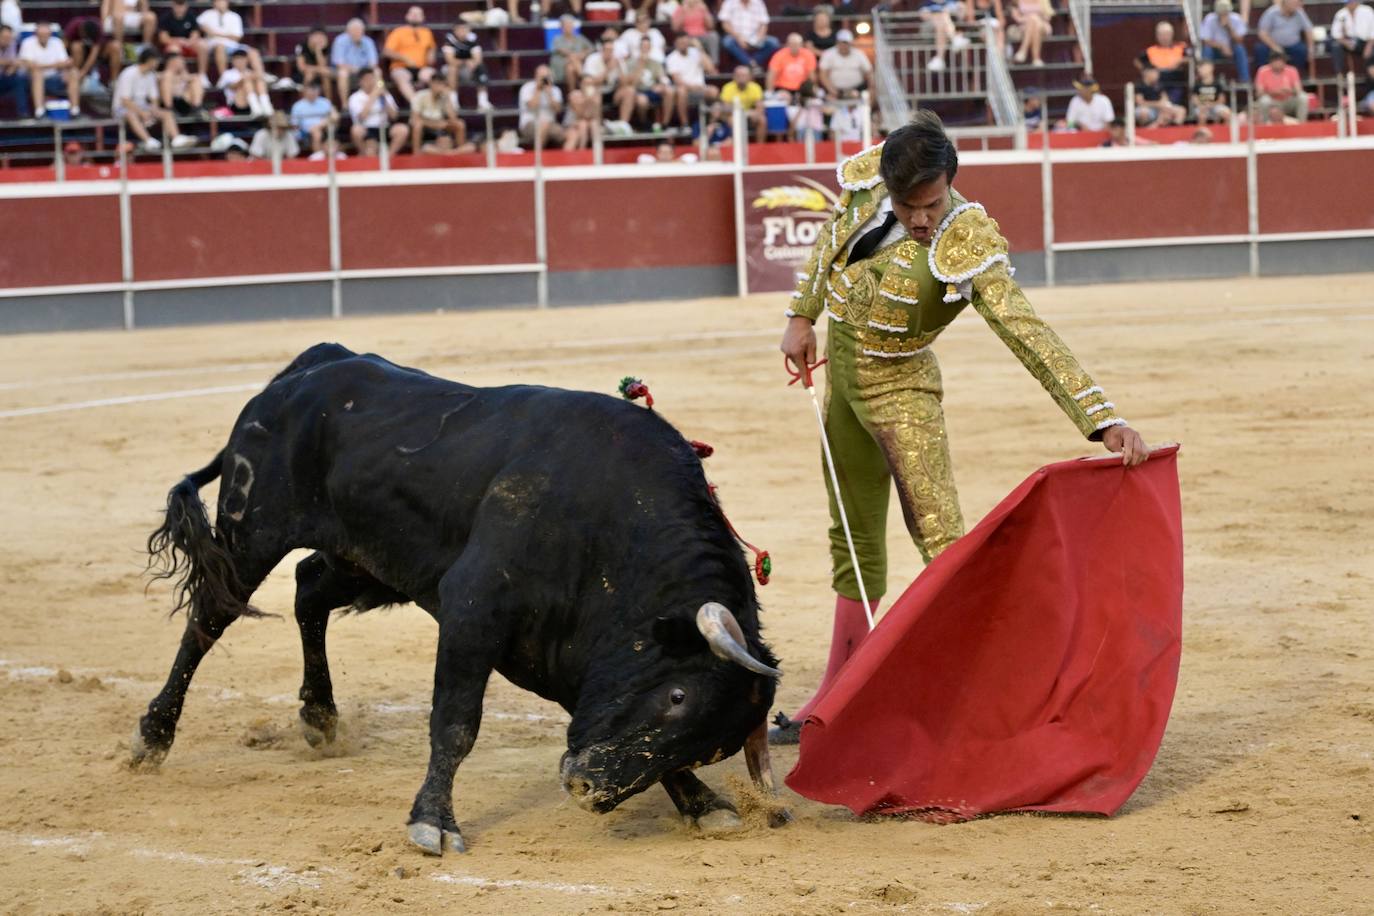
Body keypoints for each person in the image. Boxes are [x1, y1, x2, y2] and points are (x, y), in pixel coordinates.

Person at [770, 110, 1148, 743]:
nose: (921, 218)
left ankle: (996, 694)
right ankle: (835, 697)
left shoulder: (968, 239)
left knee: (944, 548)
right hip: (841, 384)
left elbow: (1025, 331)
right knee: (853, 543)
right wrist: (801, 314)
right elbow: (830, 238)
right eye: (908, 204)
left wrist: (1101, 419)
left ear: (951, 182)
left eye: (933, 202)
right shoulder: (866, 185)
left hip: (902, 391)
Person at [115, 47, 194, 149]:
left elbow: (154, 98)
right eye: (156, 60)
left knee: (167, 114)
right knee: (131, 114)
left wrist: (154, 110)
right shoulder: (129, 73)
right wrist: (142, 113)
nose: (158, 63)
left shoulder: (151, 75)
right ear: (150, 60)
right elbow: (125, 101)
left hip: (142, 106)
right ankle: (148, 140)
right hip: (122, 108)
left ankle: (176, 138)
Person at [18, 21, 80, 117]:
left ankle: (75, 110)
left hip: (55, 78)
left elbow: (66, 63)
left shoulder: (57, 42)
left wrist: (44, 66)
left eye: (46, 34)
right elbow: (29, 65)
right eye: (41, 34)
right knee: (37, 73)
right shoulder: (28, 43)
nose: (44, 36)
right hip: (32, 80)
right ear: (36, 34)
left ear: (50, 34)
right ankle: (39, 111)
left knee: (73, 72)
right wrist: (54, 65)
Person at [348, 66, 408, 155]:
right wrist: (374, 95)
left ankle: (389, 156)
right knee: (357, 132)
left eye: (372, 79)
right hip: (367, 128)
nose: (370, 82)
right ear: (361, 81)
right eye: (367, 79)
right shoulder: (355, 97)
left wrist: (384, 97)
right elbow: (362, 117)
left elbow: (394, 116)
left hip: (384, 126)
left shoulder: (384, 94)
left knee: (402, 130)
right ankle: (364, 155)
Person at [383, 5, 436, 104]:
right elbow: (386, 51)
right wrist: (404, 58)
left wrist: (431, 53)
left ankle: (436, 106)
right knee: (401, 77)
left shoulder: (427, 32)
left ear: (423, 17)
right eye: (412, 13)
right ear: (407, 16)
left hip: (421, 68)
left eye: (418, 14)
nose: (415, 16)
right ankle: (416, 105)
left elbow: (431, 47)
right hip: (401, 67)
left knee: (435, 77)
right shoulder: (398, 32)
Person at [664, 33, 717, 128]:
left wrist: (700, 48)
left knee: (713, 91)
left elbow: (710, 69)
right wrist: (693, 88)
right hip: (685, 89)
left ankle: (711, 121)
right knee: (681, 91)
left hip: (700, 88)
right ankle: (685, 124)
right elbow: (677, 81)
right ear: (676, 43)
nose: (683, 44)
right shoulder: (671, 58)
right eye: (680, 42)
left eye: (685, 42)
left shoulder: (696, 52)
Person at [617, 36, 670, 127]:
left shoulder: (655, 63)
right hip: (637, 91)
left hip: (651, 90)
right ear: (639, 48)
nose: (645, 49)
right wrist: (641, 65)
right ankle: (643, 122)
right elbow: (632, 84)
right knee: (642, 101)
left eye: (647, 47)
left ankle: (665, 123)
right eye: (643, 46)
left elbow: (663, 78)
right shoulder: (631, 63)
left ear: (650, 48)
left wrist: (661, 85)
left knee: (669, 91)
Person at [718, 0, 780, 72]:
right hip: (735, 36)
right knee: (727, 42)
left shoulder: (758, 2)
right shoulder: (729, 2)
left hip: (755, 37)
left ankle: (752, 62)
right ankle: (751, 64)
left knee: (773, 42)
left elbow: (764, 24)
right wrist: (738, 37)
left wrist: (759, 38)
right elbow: (725, 24)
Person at [1136, 21, 1189, 102]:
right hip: (1157, 83)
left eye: (1167, 34)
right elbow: (1137, 61)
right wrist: (1146, 72)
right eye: (1161, 34)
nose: (1164, 37)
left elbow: (1191, 58)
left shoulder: (1181, 47)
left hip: (1175, 82)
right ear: (1157, 36)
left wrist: (1180, 61)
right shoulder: (1151, 50)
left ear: (1172, 34)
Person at [1199, 0, 1249, 84]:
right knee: (1207, 50)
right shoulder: (1210, 19)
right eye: (1221, 13)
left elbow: (1240, 40)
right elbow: (1206, 41)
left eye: (1225, 13)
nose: (1223, 15)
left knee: (1240, 49)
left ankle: (1245, 80)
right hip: (1216, 49)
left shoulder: (1236, 18)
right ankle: (1206, 79)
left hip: (1232, 49)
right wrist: (1222, 46)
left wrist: (1229, 28)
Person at [442, 20, 490, 110]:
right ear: (455, 30)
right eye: (460, 29)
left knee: (481, 67)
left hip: (468, 70)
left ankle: (483, 101)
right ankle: (453, 102)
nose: (462, 31)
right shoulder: (449, 41)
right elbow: (450, 60)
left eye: (464, 29)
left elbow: (478, 59)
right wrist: (466, 61)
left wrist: (472, 64)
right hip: (450, 70)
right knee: (452, 68)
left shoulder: (473, 40)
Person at [1257, 0, 1314, 73]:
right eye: (1295, 3)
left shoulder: (1300, 13)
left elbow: (1308, 30)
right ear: (1285, 2)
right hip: (1273, 45)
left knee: (1302, 50)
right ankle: (1263, 76)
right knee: (1260, 50)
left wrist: (1311, 49)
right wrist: (1275, 46)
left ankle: (1296, 76)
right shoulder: (1271, 13)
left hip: (1293, 45)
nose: (1298, 5)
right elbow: (1262, 33)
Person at [331, 17, 379, 105]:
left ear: (363, 31)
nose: (357, 33)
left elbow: (373, 63)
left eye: (359, 30)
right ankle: (344, 104)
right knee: (343, 73)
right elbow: (339, 63)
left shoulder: (368, 41)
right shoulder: (340, 40)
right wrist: (355, 69)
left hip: (364, 70)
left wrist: (364, 71)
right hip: (347, 71)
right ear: (348, 31)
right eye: (354, 30)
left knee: (377, 71)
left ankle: (378, 98)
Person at [518, 62, 565, 148]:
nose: (544, 80)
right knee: (544, 124)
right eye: (542, 77)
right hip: (529, 124)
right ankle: (538, 159)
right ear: (536, 76)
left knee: (571, 134)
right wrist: (538, 90)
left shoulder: (555, 90)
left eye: (546, 77)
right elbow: (532, 106)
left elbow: (558, 110)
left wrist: (549, 94)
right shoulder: (527, 88)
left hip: (550, 124)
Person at [1253, 49, 1308, 122]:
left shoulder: (1292, 70)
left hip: (1288, 99)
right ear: (1271, 62)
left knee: (1303, 97)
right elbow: (1259, 93)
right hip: (1272, 100)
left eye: (1281, 61)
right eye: (1276, 61)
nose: (1279, 63)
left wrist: (1289, 91)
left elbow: (1298, 90)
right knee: (1264, 101)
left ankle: (1302, 124)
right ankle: (1264, 125)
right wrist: (1273, 92)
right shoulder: (1262, 71)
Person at [410, 80, 465, 153]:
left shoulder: (444, 97)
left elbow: (453, 118)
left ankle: (459, 152)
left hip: (441, 126)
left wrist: (447, 98)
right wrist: (434, 124)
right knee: (418, 125)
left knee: (460, 124)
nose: (439, 88)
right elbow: (415, 118)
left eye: (442, 85)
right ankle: (416, 153)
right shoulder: (420, 95)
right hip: (425, 126)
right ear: (431, 84)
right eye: (437, 85)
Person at [197, 0, 249, 76]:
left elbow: (237, 37)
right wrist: (207, 30)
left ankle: (262, 76)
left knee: (253, 52)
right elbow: (199, 24)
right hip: (212, 44)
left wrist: (217, 34)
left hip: (231, 45)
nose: (220, 3)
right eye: (217, 1)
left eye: (222, 1)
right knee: (219, 47)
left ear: (227, 2)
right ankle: (224, 77)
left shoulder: (235, 16)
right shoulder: (207, 14)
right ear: (214, 3)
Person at [157, 0, 208, 77]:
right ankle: (183, 75)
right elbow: (163, 39)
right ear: (173, 5)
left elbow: (195, 33)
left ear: (186, 5)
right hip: (173, 44)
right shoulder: (166, 17)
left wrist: (189, 42)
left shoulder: (191, 16)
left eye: (181, 5)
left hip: (188, 44)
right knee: (174, 49)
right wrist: (178, 41)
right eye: (177, 5)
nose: (179, 8)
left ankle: (202, 75)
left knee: (203, 45)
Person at [217, 46, 271, 117]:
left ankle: (265, 106)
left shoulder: (250, 73)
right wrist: (242, 80)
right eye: (237, 59)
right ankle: (256, 108)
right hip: (236, 104)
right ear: (233, 61)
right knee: (247, 81)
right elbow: (220, 87)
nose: (240, 61)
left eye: (242, 59)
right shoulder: (227, 74)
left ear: (247, 60)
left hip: (250, 102)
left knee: (259, 81)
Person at [819, 28, 872, 99]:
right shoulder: (828, 54)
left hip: (857, 89)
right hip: (834, 90)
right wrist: (832, 90)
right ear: (837, 43)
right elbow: (823, 74)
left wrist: (871, 87)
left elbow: (869, 72)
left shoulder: (859, 54)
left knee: (868, 94)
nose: (844, 46)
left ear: (851, 43)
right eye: (841, 43)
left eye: (846, 43)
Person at [719, 63, 766, 142]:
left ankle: (760, 145)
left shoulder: (755, 87)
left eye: (744, 75)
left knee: (762, 119)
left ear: (750, 77)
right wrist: (743, 113)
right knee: (733, 120)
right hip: (733, 114)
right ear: (734, 77)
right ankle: (737, 144)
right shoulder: (727, 88)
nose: (741, 78)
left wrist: (755, 113)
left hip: (750, 116)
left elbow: (760, 107)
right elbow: (726, 109)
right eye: (738, 75)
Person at [1331, 0, 1374, 76]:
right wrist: (1345, 42)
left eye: (1351, 2)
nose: (1349, 4)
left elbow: (1372, 31)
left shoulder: (1367, 11)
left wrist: (1369, 46)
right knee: (1336, 46)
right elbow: (1335, 34)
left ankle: (1370, 80)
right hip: (1349, 42)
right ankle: (1339, 74)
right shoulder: (1341, 14)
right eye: (1347, 2)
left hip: (1366, 42)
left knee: (1371, 54)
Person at [550, 15, 593, 91]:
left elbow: (591, 48)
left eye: (570, 25)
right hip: (561, 65)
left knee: (571, 68)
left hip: (575, 66)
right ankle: (583, 77)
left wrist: (583, 54)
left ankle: (572, 92)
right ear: (561, 28)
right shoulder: (557, 39)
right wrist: (577, 55)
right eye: (566, 26)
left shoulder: (580, 38)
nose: (569, 27)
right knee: (572, 59)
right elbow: (562, 50)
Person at [766, 32, 817, 96]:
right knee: (784, 97)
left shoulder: (808, 55)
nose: (794, 47)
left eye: (797, 44)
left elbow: (811, 75)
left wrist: (814, 88)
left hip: (802, 88)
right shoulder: (779, 55)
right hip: (783, 88)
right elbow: (771, 74)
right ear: (787, 44)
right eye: (792, 44)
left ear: (802, 45)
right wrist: (769, 91)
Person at [289, 78, 333, 151]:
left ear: (319, 91)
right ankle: (318, 157)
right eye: (311, 90)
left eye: (315, 89)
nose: (313, 92)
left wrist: (320, 125)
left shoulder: (325, 102)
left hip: (325, 128)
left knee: (320, 130)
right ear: (305, 91)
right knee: (316, 133)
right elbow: (295, 124)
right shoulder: (297, 105)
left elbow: (334, 116)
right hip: (305, 131)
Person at [160, 50, 206, 118]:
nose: (183, 63)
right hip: (169, 104)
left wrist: (184, 77)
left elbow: (193, 80)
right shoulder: (163, 75)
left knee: (196, 80)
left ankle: (197, 108)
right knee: (167, 77)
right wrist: (178, 79)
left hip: (184, 102)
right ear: (172, 62)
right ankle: (169, 109)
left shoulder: (184, 75)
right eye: (180, 61)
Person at [294, 26, 333, 102]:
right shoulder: (301, 46)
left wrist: (318, 50)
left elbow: (323, 66)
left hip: (319, 73)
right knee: (310, 74)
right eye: (316, 36)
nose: (318, 39)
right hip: (301, 74)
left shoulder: (326, 47)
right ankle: (304, 101)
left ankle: (329, 102)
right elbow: (301, 67)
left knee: (325, 76)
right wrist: (316, 69)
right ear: (310, 36)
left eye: (321, 36)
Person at [1008, 0, 1050, 67]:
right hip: (1024, 26)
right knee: (1034, 21)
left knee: (1035, 21)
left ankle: (1023, 51)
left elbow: (1047, 15)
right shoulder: (1016, 1)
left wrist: (1034, 18)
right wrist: (1030, 18)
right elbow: (1017, 18)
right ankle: (1036, 58)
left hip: (1043, 25)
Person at [0, 23, 28, 118]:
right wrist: (11, 63)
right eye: (4, 37)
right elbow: (11, 61)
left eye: (9, 37)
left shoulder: (12, 43)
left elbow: (15, 63)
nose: (7, 40)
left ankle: (22, 114)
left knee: (19, 79)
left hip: (4, 78)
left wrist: (12, 67)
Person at [1191, 59, 1231, 124]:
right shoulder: (1197, 85)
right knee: (1202, 116)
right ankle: (1202, 132)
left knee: (1226, 114)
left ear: (1210, 68)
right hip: (1201, 107)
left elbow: (1222, 99)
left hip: (1215, 106)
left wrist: (1212, 105)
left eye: (1202, 68)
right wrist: (1202, 105)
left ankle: (1225, 132)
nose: (1199, 70)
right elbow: (1194, 99)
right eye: (1198, 68)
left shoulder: (1217, 84)